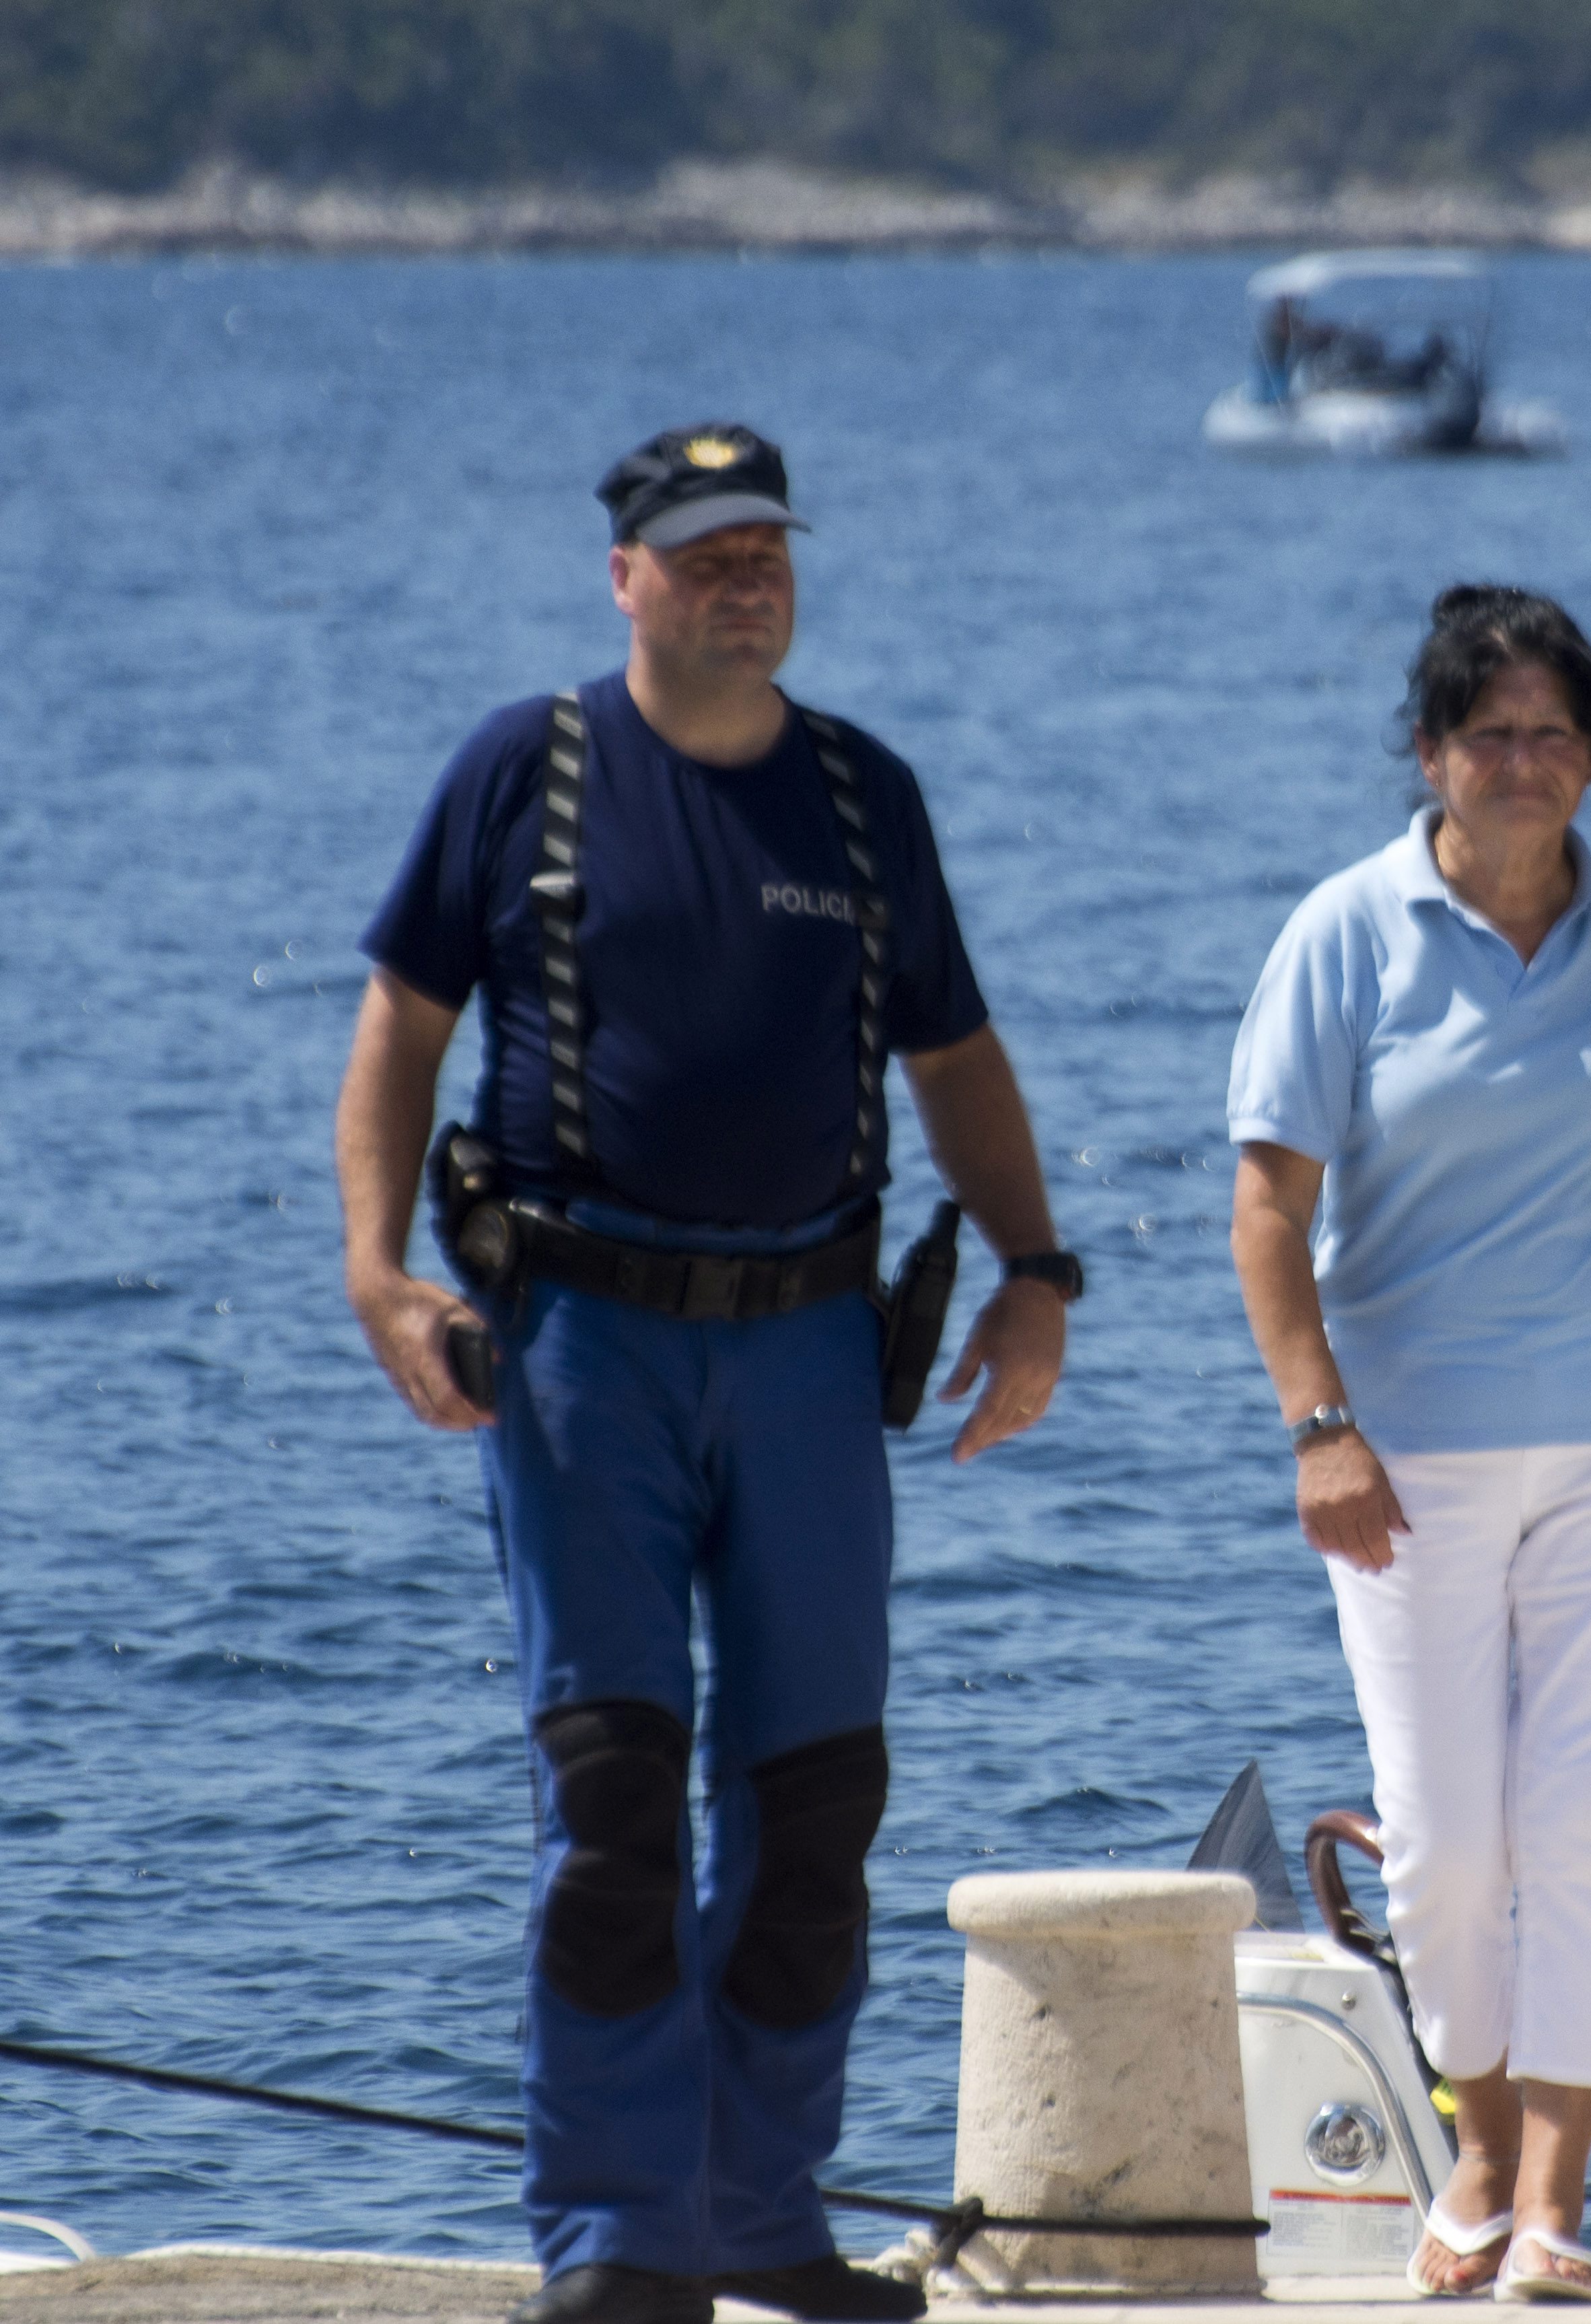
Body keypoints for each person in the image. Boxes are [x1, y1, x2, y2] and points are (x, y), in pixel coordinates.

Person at [335, 425, 1076, 2324]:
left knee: (816, 1795)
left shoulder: (860, 795)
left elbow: (960, 1058)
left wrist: (1035, 1274)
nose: (744, 578)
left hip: (816, 1352)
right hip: (581, 1346)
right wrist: (375, 1270)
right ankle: (613, 2238)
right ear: (625, 578)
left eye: (766, 549)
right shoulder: (526, 770)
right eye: (702, 552)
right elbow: (400, 1028)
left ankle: (760, 2211)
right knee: (612, 1793)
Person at [1225, 584, 1591, 2303]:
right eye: (1490, 735)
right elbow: (1265, 1205)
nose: (1523, 764)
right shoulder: (1345, 933)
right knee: (1450, 1839)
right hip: (1408, 1457)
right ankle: (1469, 2134)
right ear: (1429, 754)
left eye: (1552, 734)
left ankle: (1547, 2196)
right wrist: (1317, 1423)